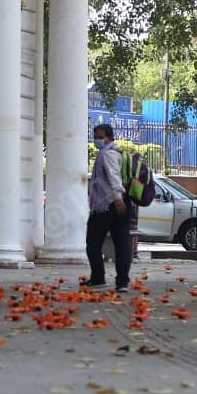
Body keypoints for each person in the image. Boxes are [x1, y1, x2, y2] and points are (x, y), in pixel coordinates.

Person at [85, 123, 131, 291]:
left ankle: (98, 279)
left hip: (108, 205)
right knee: (122, 244)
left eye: (100, 137)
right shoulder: (119, 153)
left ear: (110, 137)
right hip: (121, 203)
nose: (97, 140)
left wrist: (118, 197)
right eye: (95, 137)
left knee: (93, 241)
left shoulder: (107, 154)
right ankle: (122, 283)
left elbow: (113, 176)